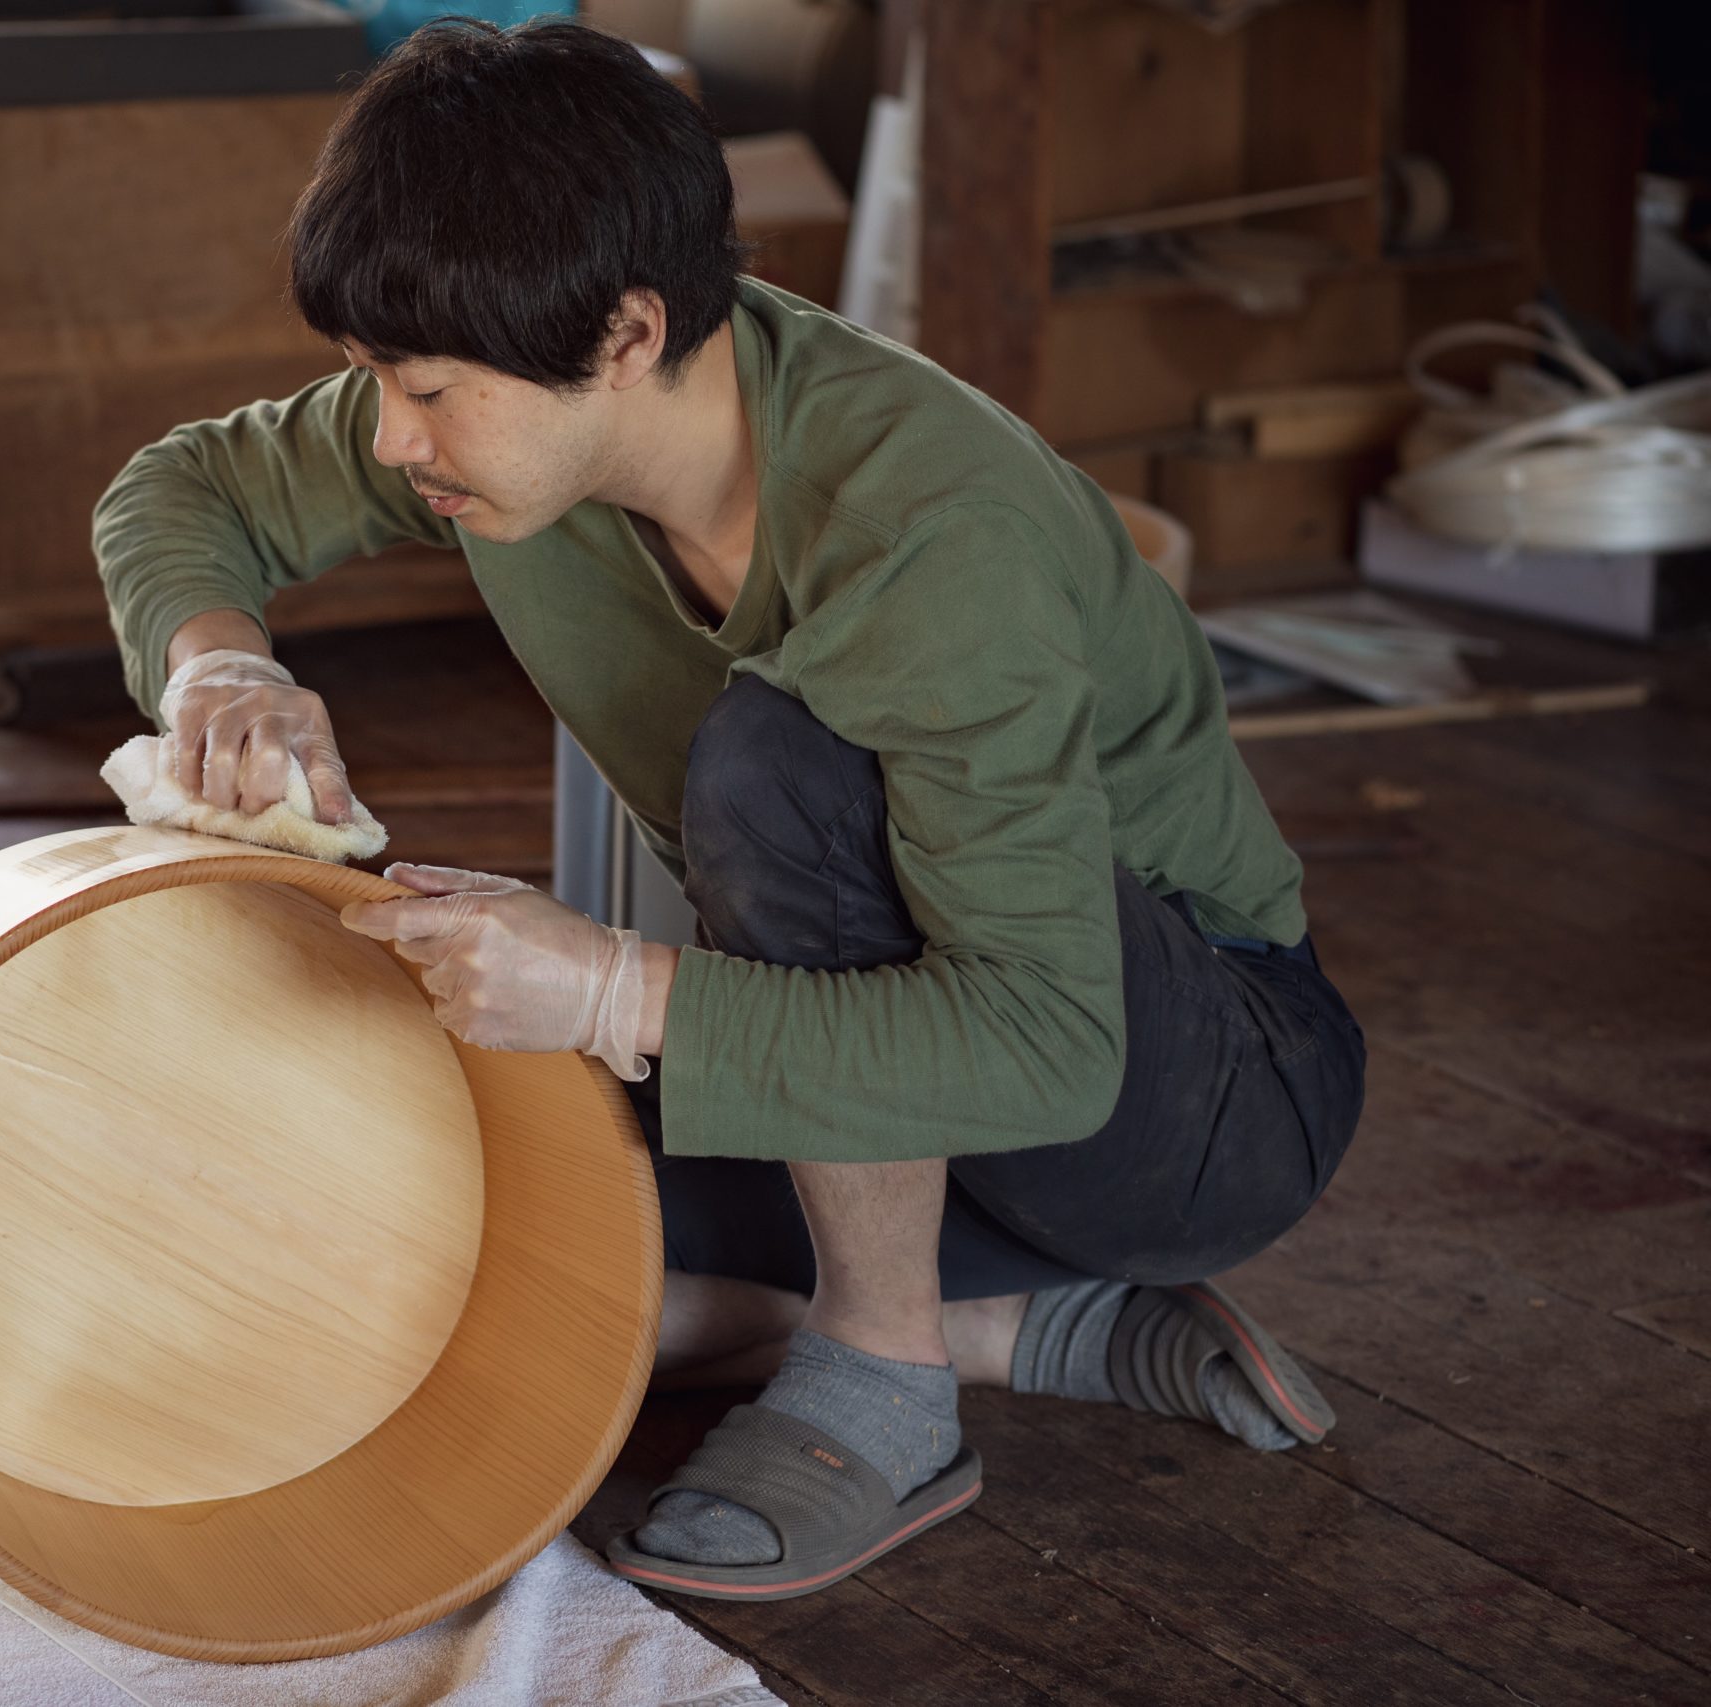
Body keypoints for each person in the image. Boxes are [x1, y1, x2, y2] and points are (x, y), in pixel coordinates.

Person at [92, 18, 1365, 1602]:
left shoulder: (926, 533)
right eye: (373, 381)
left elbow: (1047, 1042)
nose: (394, 438)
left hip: (1194, 1097)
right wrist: (222, 670)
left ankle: (884, 1375)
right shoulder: (528, 416)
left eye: (425, 390)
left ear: (628, 332)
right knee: (423, 1222)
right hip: (915, 1091)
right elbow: (184, 488)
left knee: (786, 769)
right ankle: (1017, 1324)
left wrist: (611, 990)